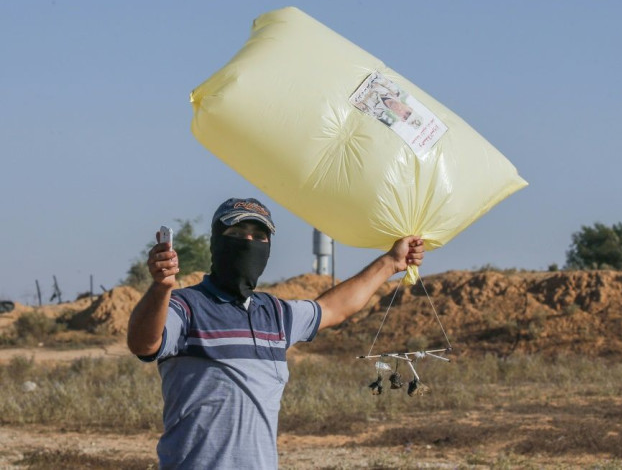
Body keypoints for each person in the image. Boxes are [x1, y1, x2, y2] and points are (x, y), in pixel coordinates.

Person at [127, 197, 424, 469]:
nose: (248, 242)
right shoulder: (185, 306)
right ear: (216, 242)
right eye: (237, 233)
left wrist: (391, 263)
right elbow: (144, 343)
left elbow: (335, 308)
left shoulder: (276, 314)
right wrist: (161, 287)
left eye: (259, 236)